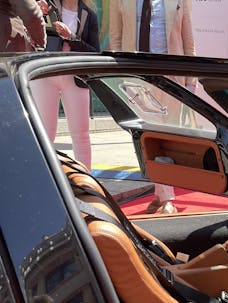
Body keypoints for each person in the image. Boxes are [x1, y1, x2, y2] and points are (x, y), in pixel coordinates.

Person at [110, 0, 197, 214]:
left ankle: (162, 195)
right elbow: (116, 39)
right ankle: (166, 197)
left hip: (171, 73)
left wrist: (191, 80)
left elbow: (188, 39)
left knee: (166, 137)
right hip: (137, 76)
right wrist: (119, 75)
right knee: (148, 135)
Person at [30, 0, 99, 171]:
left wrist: (72, 38)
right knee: (45, 133)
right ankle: (44, 179)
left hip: (76, 76)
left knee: (81, 134)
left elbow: (95, 52)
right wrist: (37, 13)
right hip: (46, 73)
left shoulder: (89, 15)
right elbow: (32, 33)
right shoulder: (47, 6)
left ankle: (87, 183)